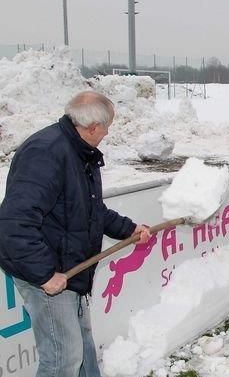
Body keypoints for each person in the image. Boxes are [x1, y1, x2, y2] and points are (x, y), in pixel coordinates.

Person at [0, 91, 151, 377]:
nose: (108, 134)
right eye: (107, 128)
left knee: (81, 351)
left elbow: (90, 210)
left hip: (69, 269)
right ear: (93, 126)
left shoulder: (79, 152)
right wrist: (45, 274)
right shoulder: (46, 154)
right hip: (49, 272)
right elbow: (13, 223)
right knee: (63, 359)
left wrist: (130, 229)